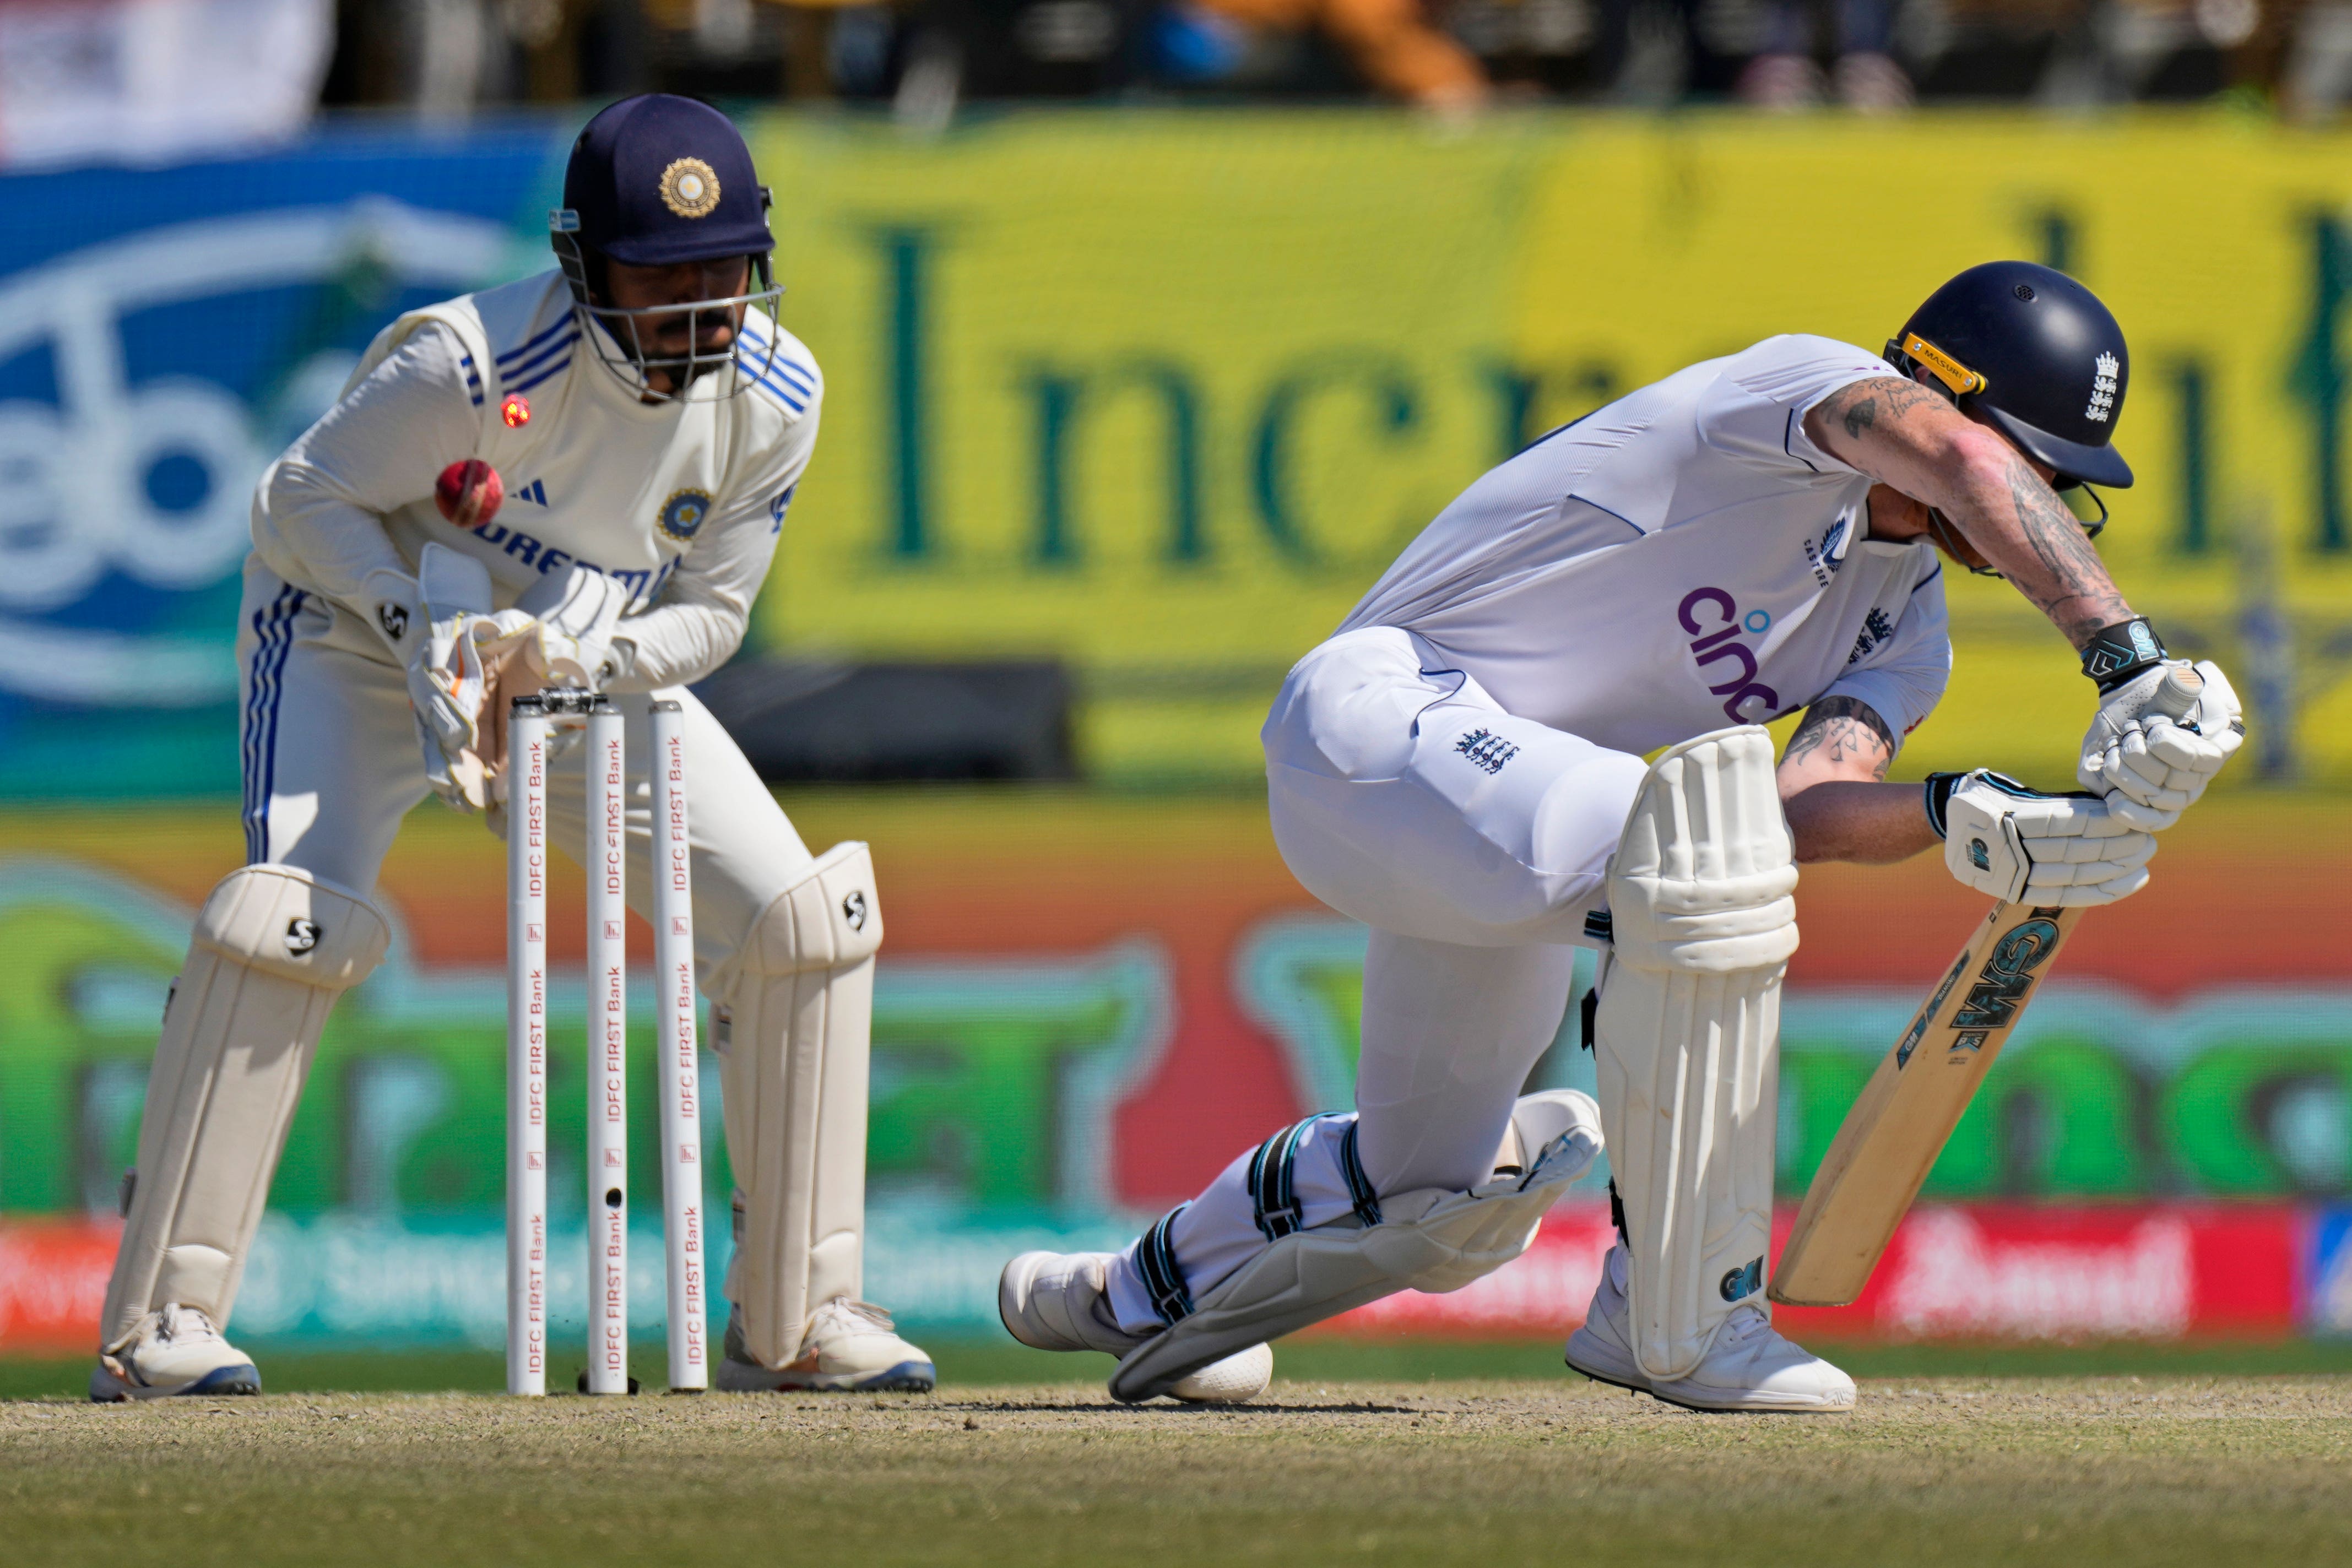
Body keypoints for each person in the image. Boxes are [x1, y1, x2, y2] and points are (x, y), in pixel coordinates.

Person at [1000, 260, 2243, 1410]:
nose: (2045, 499)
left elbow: (1785, 814)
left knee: (1430, 1195)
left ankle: (1120, 1292)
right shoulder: (1799, 392)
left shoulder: (1906, 629)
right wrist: (2123, 658)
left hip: (1497, 824)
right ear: (1944, 397)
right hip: (1372, 724)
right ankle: (1675, 1313)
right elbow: (1948, 454)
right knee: (1690, 863)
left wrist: (1960, 813)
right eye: (2032, 464)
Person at [91, 94, 933, 1400]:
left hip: (570, 656)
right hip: (350, 631)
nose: (691, 314)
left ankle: (800, 1319)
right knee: (288, 920)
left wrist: (583, 660)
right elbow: (296, 500)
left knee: (800, 922)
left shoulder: (774, 393)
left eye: (720, 278)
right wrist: (415, 631)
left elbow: (710, 611)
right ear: (583, 265)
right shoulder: (467, 366)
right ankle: (164, 1324)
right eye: (658, 278)